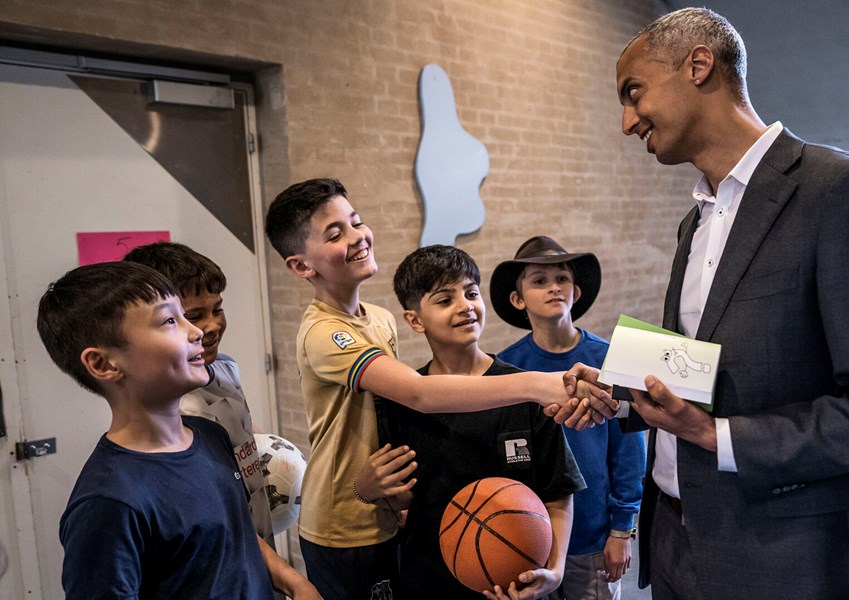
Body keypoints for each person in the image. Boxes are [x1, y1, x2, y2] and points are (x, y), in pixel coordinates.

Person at [560, 8, 849, 600]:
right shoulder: (696, 220)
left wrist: (720, 436)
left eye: (633, 93)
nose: (626, 121)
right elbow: (705, 365)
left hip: (789, 555)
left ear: (698, 64)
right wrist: (622, 395)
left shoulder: (844, 193)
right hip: (676, 546)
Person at [264, 178, 613, 600]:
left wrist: (554, 567)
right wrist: (538, 384)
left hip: (393, 529)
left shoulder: (377, 319)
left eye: (356, 222)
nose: (357, 237)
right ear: (302, 266)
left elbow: (557, 492)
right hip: (344, 524)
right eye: (336, 234)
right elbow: (418, 394)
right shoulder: (323, 334)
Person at [36, 261, 319, 599]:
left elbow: (235, 535)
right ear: (103, 364)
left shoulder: (210, 437)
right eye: (170, 320)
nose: (197, 331)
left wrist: (294, 582)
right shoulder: (110, 502)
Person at [356, 244, 586, 599]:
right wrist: (368, 492)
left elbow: (558, 490)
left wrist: (555, 568)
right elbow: (397, 501)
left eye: (471, 293)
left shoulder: (524, 390)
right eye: (445, 300)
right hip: (430, 582)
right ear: (415, 320)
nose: (465, 306)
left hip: (519, 582)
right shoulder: (400, 401)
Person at [490, 236, 644, 600]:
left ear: (576, 292)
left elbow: (629, 452)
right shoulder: (508, 369)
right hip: (530, 537)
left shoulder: (607, 359)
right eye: (539, 281)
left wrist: (622, 530)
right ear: (518, 299)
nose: (553, 287)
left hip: (594, 536)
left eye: (561, 278)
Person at [123, 243, 277, 543]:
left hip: (259, 541)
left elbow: (242, 430)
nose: (211, 326)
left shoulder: (225, 367)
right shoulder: (172, 408)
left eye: (217, 309)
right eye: (194, 316)